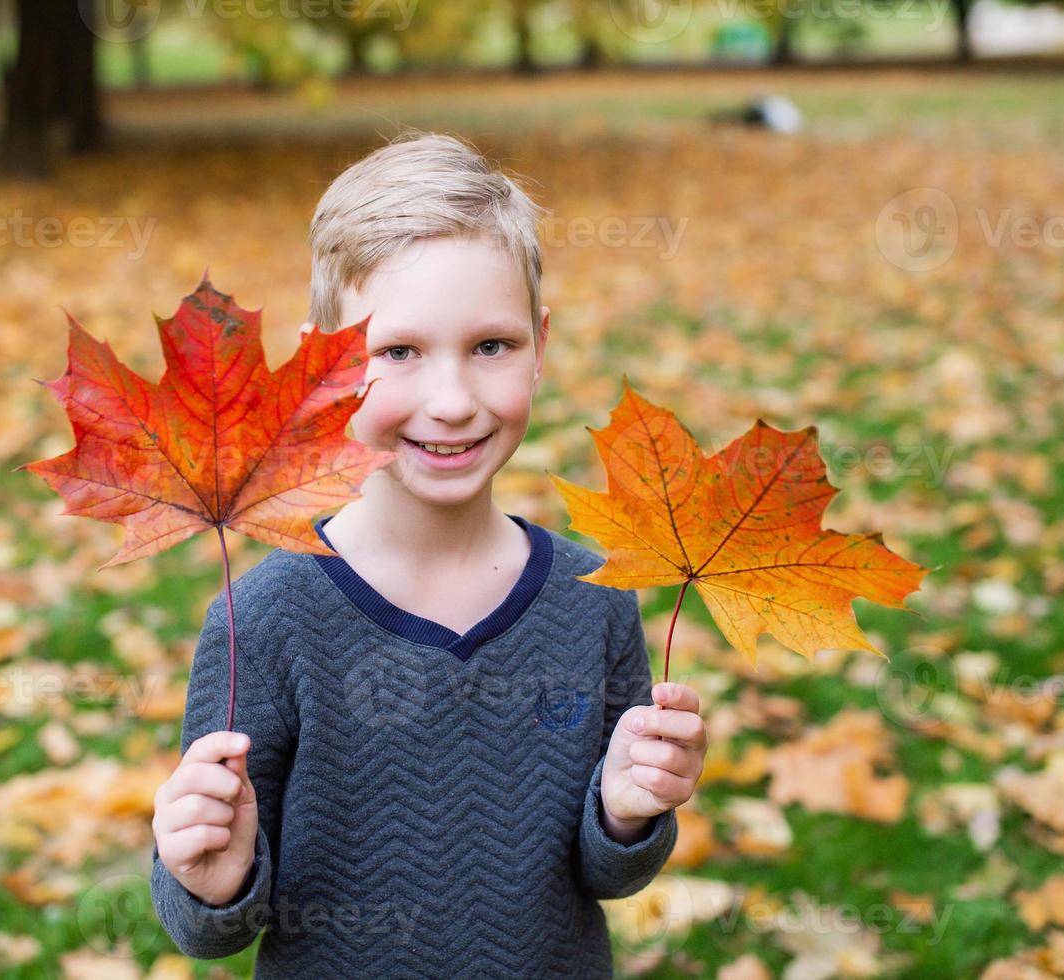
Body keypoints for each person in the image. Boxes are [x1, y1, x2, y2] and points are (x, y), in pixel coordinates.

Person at [149, 129, 708, 977]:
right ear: (324, 364)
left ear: (541, 346)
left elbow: (603, 874)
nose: (450, 401)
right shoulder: (265, 620)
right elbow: (214, 923)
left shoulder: (596, 593)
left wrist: (626, 813)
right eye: (398, 352)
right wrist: (208, 880)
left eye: (491, 346)